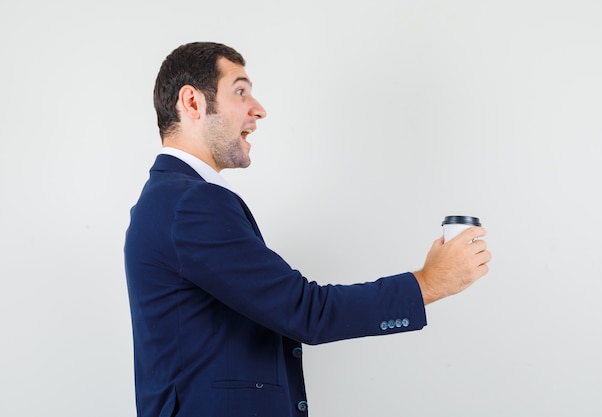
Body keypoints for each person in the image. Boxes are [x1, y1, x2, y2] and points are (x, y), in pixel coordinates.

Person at [124, 41, 491, 417]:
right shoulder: (190, 204)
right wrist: (429, 282)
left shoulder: (166, 201)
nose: (258, 109)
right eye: (240, 91)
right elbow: (306, 312)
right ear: (192, 102)